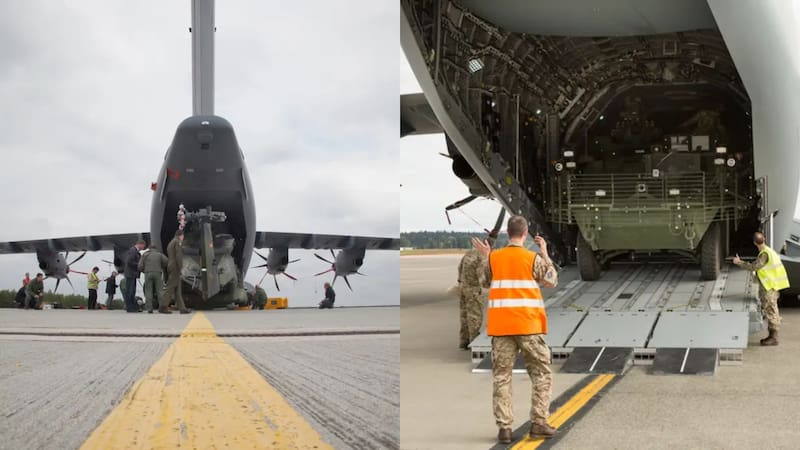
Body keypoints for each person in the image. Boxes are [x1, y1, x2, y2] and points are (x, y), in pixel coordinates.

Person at [472, 215, 558, 444]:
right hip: (528, 326)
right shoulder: (532, 258)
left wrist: (484, 257)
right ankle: (539, 423)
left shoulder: (494, 258)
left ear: (507, 233)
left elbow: (483, 281)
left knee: (502, 377)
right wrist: (545, 253)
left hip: (501, 328)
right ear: (525, 231)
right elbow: (551, 280)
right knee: (541, 374)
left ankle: (505, 429)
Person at [733, 231, 790, 346]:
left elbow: (754, 266)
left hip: (769, 287)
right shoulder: (769, 251)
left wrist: (739, 262)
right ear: (764, 238)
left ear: (754, 243)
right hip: (772, 285)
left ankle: (774, 337)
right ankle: (772, 335)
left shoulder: (764, 254)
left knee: (771, 310)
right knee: (772, 309)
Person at [457, 231, 496, 349]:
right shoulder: (481, 256)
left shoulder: (468, 253)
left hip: (463, 287)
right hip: (473, 289)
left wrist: (460, 282)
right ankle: (473, 341)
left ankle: (463, 341)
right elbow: (482, 277)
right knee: (475, 316)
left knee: (464, 316)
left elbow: (460, 267)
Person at [162, 230, 191, 314]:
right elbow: (178, 255)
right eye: (183, 236)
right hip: (175, 267)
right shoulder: (177, 242)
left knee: (178, 289)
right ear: (180, 235)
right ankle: (163, 306)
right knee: (170, 287)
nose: (183, 238)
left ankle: (182, 308)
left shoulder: (171, 243)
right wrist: (181, 267)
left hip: (171, 266)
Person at [138, 245, 169, 314]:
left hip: (148, 273)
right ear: (156, 248)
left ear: (149, 248)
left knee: (148, 291)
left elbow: (140, 266)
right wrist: (161, 267)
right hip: (158, 273)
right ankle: (161, 308)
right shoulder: (159, 255)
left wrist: (144, 270)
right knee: (160, 291)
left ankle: (149, 308)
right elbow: (166, 261)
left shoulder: (145, 255)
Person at [123, 240, 146, 313]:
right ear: (140, 244)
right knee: (129, 291)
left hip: (132, 274)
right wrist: (138, 265)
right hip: (131, 273)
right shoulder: (133, 251)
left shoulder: (135, 251)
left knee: (132, 291)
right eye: (143, 246)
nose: (143, 248)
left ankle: (132, 307)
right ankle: (129, 307)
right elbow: (129, 261)